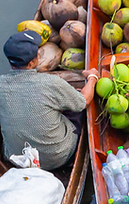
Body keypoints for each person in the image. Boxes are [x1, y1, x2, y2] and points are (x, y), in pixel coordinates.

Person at [0, 31, 98, 170]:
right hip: (57, 157)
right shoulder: (50, 83)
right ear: (33, 62)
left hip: (18, 159)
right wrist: (92, 77)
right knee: (77, 103)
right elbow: (85, 101)